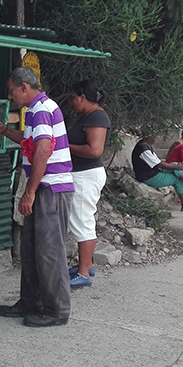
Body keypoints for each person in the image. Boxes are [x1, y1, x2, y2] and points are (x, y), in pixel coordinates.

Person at [0, 67, 75, 327]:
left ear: (24, 87)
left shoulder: (40, 110)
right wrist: (5, 129)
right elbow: (31, 143)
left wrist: (29, 192)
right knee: (32, 248)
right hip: (44, 187)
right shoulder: (38, 110)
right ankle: (31, 302)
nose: (11, 97)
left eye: (12, 91)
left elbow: (41, 152)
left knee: (50, 251)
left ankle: (56, 310)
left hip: (50, 188)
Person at [65, 80, 110, 289]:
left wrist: (65, 146)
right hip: (83, 174)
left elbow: (94, 150)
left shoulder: (97, 117)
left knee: (82, 221)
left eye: (74, 97)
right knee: (83, 219)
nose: (72, 102)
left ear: (83, 97)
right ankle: (86, 265)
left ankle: (83, 273)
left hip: (86, 175)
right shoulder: (89, 117)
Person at [131, 136, 183, 212]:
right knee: (178, 179)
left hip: (153, 171)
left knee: (176, 165)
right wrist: (177, 167)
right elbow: (158, 164)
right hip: (148, 176)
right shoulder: (143, 148)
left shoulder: (147, 146)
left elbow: (158, 162)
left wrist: (177, 166)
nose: (157, 138)